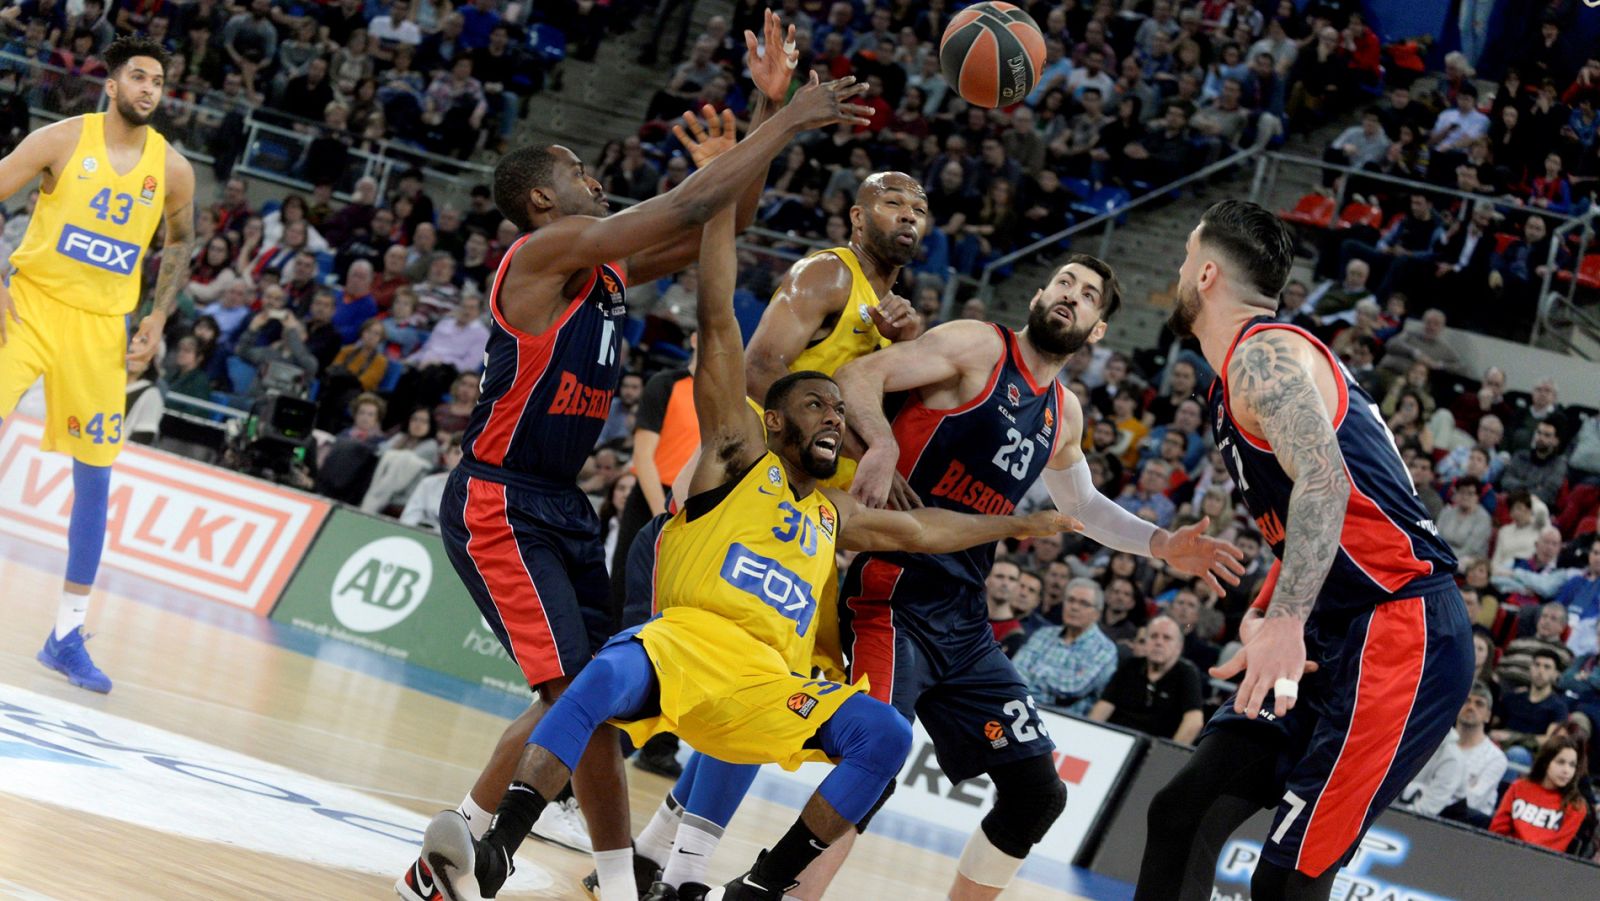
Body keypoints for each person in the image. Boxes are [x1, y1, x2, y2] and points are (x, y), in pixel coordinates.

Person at [416, 140, 1078, 901]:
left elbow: (919, 529)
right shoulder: (783, 362)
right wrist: (775, 131)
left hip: (766, 606)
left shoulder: (836, 491)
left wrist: (1016, 526)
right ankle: (523, 846)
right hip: (699, 545)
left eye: (920, 206)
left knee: (837, 720)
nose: (837, 414)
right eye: (894, 199)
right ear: (856, 214)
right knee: (585, 682)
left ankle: (691, 870)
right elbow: (734, 343)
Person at [393, 22, 872, 899]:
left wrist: (764, 111)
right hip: (500, 501)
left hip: (561, 502)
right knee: (578, 693)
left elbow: (723, 221)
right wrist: (788, 120)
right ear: (543, 198)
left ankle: (487, 847)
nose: (597, 178)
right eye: (579, 170)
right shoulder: (538, 255)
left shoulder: (602, 274)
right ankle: (514, 855)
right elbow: (686, 207)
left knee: (594, 701)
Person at [835, 255, 1245, 900]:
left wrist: (1162, 544)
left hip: (964, 619)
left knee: (1038, 793)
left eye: (1088, 296)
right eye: (1064, 283)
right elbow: (858, 374)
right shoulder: (978, 345)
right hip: (893, 588)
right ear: (1039, 293)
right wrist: (881, 444)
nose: (1071, 296)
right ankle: (772, 888)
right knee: (874, 761)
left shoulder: (1065, 413)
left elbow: (1083, 507)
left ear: (1098, 329)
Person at [1137, 201, 1472, 901]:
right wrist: (1268, 608)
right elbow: (1312, 517)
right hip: (1329, 622)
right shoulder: (1246, 371)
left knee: (1289, 877)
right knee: (1183, 812)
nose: (1178, 271)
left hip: (1399, 626)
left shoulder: (1264, 357)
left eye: (1185, 258)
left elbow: (1326, 483)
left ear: (1206, 274)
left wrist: (1285, 618)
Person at [0, 36, 194, 695]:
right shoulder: (60, 140)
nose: (149, 88)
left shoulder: (173, 170)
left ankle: (66, 635)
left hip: (102, 329)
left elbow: (182, 239)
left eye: (158, 81)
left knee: (95, 479)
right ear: (112, 85)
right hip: (30, 305)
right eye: (138, 77)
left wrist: (158, 315)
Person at [1398, 682, 1507, 826]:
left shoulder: (1496, 758)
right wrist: (1437, 791)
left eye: (1479, 704)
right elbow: (1411, 782)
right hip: (1422, 809)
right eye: (1466, 701)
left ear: (1488, 716)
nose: (1471, 707)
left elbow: (1472, 800)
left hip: (1466, 823)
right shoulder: (1438, 742)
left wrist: (1435, 790)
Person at [1090, 615, 1206, 743]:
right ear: (1146, 642)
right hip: (1116, 740)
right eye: (1153, 636)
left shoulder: (1187, 674)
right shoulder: (1129, 666)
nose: (1159, 642)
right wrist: (1088, 737)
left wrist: (1166, 752)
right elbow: (1104, 706)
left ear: (1179, 647)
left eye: (1167, 638)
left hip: (1155, 747)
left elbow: (1194, 722)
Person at [1012, 576, 1119, 714]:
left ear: (1097, 613)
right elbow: (1015, 671)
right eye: (1070, 600)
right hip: (1022, 709)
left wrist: (1036, 674)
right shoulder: (1043, 634)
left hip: (1065, 720)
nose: (1074, 607)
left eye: (1084, 603)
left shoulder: (1104, 649)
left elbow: (1073, 688)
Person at [1489, 734, 1589, 853]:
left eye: (1572, 765)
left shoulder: (1576, 806)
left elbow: (1554, 848)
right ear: (1546, 762)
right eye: (1560, 762)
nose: (1566, 771)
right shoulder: (1519, 787)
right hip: (1503, 853)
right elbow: (1497, 830)